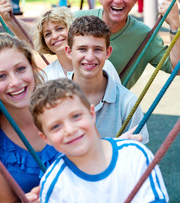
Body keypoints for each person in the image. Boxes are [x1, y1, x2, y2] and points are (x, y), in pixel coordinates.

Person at [0, 0, 180, 89]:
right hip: (73, 103)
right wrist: (11, 21)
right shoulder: (79, 20)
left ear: (135, 0)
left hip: (110, 107)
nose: (118, 0)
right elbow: (43, 38)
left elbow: (176, 68)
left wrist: (175, 25)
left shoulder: (144, 36)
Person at [29, 78, 169, 203]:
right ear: (45, 138)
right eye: (56, 126)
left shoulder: (134, 156)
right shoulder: (55, 184)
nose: (70, 130)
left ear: (91, 114)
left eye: (76, 116)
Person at [0, 33, 60, 203]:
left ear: (31, 67)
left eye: (20, 69)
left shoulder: (64, 108)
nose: (15, 82)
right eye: (1, 76)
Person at [65, 15, 149, 143]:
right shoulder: (54, 98)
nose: (90, 57)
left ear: (108, 52)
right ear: (69, 52)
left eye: (97, 49)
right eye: (82, 49)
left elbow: (138, 157)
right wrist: (114, 145)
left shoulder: (127, 103)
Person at [33, 7, 121, 83]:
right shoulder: (45, 77)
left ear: (72, 28)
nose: (54, 36)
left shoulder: (104, 66)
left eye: (59, 29)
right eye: (47, 34)